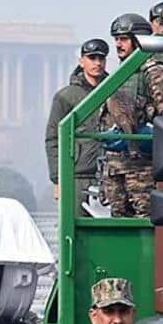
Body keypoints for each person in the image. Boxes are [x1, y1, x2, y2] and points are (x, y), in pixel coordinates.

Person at [98, 13, 158, 217]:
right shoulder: (119, 73)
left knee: (144, 219)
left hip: (140, 165)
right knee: (118, 219)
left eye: (123, 39)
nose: (118, 44)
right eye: (116, 39)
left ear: (138, 39)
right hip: (116, 164)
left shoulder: (151, 70)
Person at [45, 39, 108, 206]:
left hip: (110, 174)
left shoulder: (114, 91)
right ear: (81, 61)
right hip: (76, 176)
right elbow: (53, 139)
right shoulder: (65, 96)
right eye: (92, 58)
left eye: (101, 59)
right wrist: (57, 179)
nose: (97, 63)